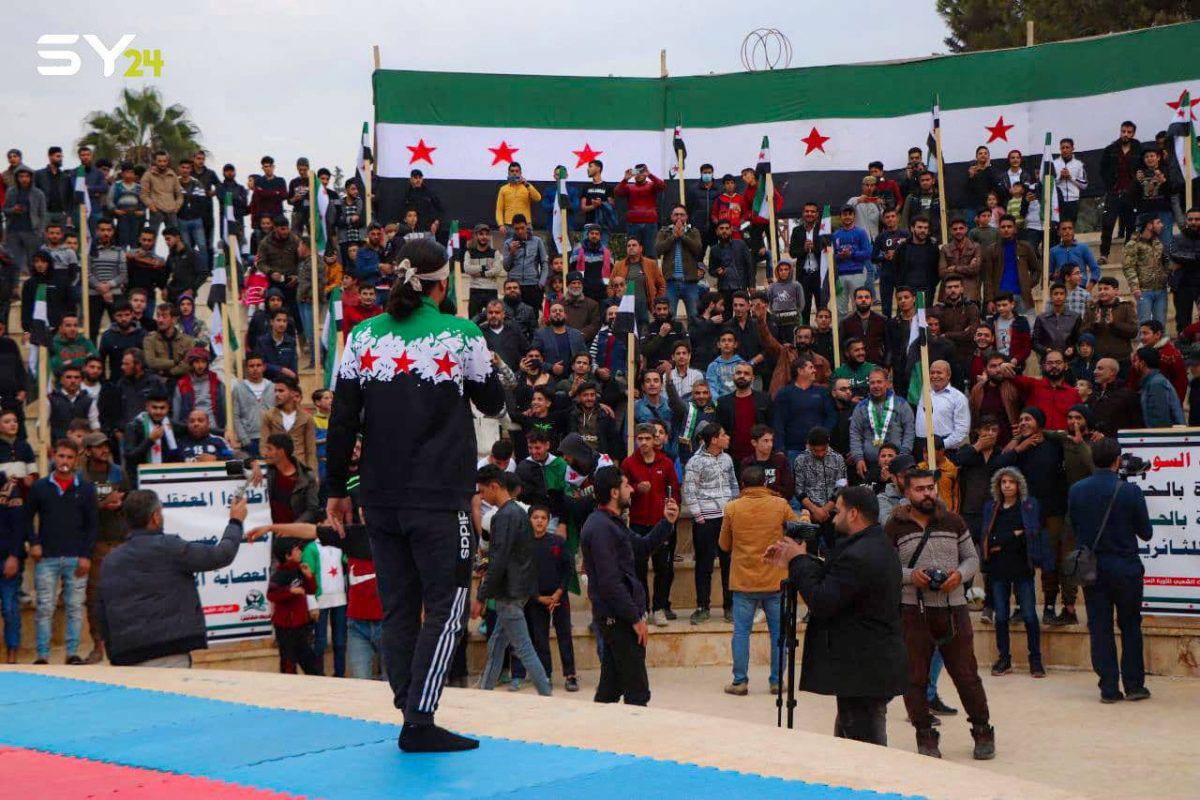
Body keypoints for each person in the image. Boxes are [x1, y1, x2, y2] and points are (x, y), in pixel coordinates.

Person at [325, 238, 505, 752]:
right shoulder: (460, 334)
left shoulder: (362, 335)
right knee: (448, 606)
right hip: (439, 498)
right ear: (442, 284)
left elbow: (341, 419)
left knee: (399, 606)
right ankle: (420, 720)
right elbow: (492, 402)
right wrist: (490, 363)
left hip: (378, 497)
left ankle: (409, 706)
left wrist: (336, 489)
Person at [765, 485, 907, 745]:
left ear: (853, 514)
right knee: (850, 733)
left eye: (838, 511)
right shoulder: (870, 544)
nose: (833, 518)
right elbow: (837, 577)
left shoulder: (861, 553)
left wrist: (798, 560)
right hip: (865, 665)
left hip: (864, 666)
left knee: (863, 744)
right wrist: (798, 558)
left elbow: (822, 600)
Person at [885, 469, 993, 761]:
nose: (927, 494)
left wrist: (959, 576)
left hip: (953, 608)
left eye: (930, 487)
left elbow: (972, 558)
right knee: (915, 677)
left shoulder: (953, 521)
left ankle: (982, 730)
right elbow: (887, 567)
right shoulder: (894, 527)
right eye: (920, 489)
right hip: (912, 610)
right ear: (907, 492)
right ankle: (925, 735)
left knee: (966, 674)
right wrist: (912, 576)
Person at [96, 490, 246, 668]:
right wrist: (236, 522)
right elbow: (221, 555)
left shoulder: (110, 560)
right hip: (167, 653)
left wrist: (113, 654)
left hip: (126, 658)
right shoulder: (169, 547)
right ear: (155, 517)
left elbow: (101, 611)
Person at [581, 466, 678, 705]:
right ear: (614, 493)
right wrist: (635, 619)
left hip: (620, 618)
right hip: (618, 620)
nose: (631, 490)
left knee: (610, 689)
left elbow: (642, 548)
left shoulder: (612, 523)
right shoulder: (601, 527)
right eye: (626, 486)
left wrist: (667, 522)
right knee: (637, 692)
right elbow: (610, 582)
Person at [1067, 437, 1152, 703]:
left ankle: (1109, 688)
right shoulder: (1130, 491)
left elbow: (1074, 528)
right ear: (1117, 460)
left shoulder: (1077, 490)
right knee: (1130, 626)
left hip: (1093, 570)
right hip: (1126, 568)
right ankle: (1134, 686)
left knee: (1100, 627)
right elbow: (1146, 533)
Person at [472, 466, 552, 697]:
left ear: (494, 486)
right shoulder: (517, 513)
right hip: (519, 590)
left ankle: (546, 695)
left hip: (509, 592)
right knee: (497, 644)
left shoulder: (504, 517)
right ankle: (485, 692)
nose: (482, 497)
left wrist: (481, 596)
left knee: (524, 648)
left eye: (483, 491)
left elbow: (499, 560)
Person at [717, 465, 796, 695]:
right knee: (779, 634)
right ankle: (776, 682)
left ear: (742, 485)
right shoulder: (780, 505)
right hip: (775, 580)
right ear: (765, 483)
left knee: (741, 633)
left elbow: (724, 545)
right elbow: (796, 532)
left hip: (743, 581)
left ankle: (740, 681)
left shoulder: (732, 507)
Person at [28, 440, 99, 665]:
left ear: (76, 460)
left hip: (76, 558)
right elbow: (26, 518)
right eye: (61, 456)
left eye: (69, 457)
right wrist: (33, 542)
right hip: (46, 557)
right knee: (45, 608)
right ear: (53, 456)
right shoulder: (40, 487)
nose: (64, 461)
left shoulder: (85, 488)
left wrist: (86, 555)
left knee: (75, 608)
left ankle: (72, 654)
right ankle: (42, 655)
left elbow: (92, 525)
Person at [981, 467, 1050, 677]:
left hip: (1023, 568)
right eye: (1003, 482)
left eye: (1011, 482)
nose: (1007, 486)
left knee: (1029, 615)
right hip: (998, 569)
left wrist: (1003, 539)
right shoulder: (992, 507)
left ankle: (1035, 660)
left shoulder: (1029, 506)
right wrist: (1013, 535)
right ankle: (1004, 659)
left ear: (1019, 485)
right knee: (1001, 616)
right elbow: (988, 538)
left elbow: (1033, 532)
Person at [621, 423, 680, 626]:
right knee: (638, 569)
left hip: (660, 524)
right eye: (640, 439)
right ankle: (642, 608)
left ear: (655, 439)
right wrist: (637, 489)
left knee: (663, 568)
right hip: (637, 524)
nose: (644, 442)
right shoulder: (629, 463)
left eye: (648, 438)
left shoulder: (666, 463)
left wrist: (672, 512)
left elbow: (675, 491)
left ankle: (659, 608)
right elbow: (623, 492)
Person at [681, 423, 740, 624]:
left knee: (728, 563)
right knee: (704, 564)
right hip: (705, 520)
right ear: (714, 440)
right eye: (724, 434)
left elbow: (733, 484)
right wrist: (699, 516)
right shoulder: (695, 462)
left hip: (727, 519)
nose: (727, 437)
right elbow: (689, 490)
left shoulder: (727, 459)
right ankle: (702, 607)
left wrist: (734, 510)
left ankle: (729, 606)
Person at [78, 432, 128, 665]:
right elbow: (78, 510)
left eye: (106, 446)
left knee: (123, 594)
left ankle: (121, 643)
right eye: (98, 447)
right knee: (95, 597)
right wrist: (103, 504)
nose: (104, 450)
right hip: (95, 543)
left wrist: (120, 503)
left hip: (119, 540)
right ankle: (97, 645)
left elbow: (130, 500)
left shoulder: (118, 472)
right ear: (88, 451)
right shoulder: (81, 476)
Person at [267, 536, 323, 675]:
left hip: (302, 626)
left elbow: (311, 590)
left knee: (312, 665)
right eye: (297, 550)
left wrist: (309, 576)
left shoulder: (300, 570)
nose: (300, 552)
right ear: (288, 555)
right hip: (285, 628)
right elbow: (271, 595)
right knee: (288, 665)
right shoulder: (279, 575)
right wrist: (290, 591)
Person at [849, 368, 915, 483]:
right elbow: (855, 434)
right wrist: (858, 458)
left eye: (879, 382)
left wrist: (903, 456)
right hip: (869, 465)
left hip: (897, 464)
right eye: (872, 382)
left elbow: (909, 431)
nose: (875, 386)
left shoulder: (901, 404)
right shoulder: (861, 407)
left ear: (887, 383)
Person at [793, 427, 848, 553]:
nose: (820, 454)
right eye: (815, 451)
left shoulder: (838, 459)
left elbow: (842, 485)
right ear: (809, 446)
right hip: (809, 513)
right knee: (809, 552)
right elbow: (798, 489)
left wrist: (825, 509)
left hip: (833, 512)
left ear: (828, 445)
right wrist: (815, 510)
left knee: (837, 551)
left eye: (823, 450)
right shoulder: (800, 460)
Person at [1098, 121, 1142, 264]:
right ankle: (1104, 255)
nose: (1125, 134)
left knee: (1131, 225)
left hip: (1132, 193)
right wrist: (1110, 185)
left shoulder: (1139, 150)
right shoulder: (1111, 149)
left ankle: (1128, 256)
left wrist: (1138, 179)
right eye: (1123, 131)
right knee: (1108, 223)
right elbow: (1102, 170)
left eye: (1129, 132)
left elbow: (1143, 168)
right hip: (1114, 192)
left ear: (1133, 134)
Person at [656, 204, 705, 323]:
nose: (679, 217)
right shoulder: (664, 231)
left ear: (686, 217)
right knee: (669, 317)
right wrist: (674, 236)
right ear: (671, 216)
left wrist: (683, 236)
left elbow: (698, 249)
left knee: (694, 317)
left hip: (690, 282)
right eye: (676, 214)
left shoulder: (693, 231)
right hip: (670, 282)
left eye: (682, 215)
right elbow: (658, 249)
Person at [716, 362, 772, 465]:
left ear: (752, 378)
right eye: (738, 373)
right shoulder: (723, 402)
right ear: (733, 376)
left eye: (746, 373)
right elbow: (719, 429)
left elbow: (771, 426)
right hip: (731, 458)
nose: (742, 376)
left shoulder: (764, 399)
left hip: (759, 457)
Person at [981, 215, 1039, 313]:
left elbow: (1036, 270)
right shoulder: (992, 250)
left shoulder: (1025, 247)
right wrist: (989, 300)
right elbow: (988, 277)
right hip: (1000, 298)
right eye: (1003, 227)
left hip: (1022, 296)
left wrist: (1028, 284)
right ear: (999, 229)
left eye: (1009, 226)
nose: (1006, 229)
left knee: (1026, 322)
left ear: (1015, 229)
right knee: (1001, 323)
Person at [262, 375, 317, 473]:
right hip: (277, 470)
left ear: (293, 393)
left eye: (281, 391)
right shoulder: (268, 416)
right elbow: (264, 445)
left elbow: (311, 450)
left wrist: (313, 474)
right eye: (275, 391)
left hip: (300, 468)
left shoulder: (306, 418)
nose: (277, 394)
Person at [1122, 214, 1169, 326]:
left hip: (1161, 289)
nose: (1161, 225)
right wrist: (1135, 287)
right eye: (1158, 222)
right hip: (1143, 291)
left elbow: (1164, 263)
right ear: (1149, 225)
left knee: (1160, 324)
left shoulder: (1158, 243)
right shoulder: (1133, 244)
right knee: (1145, 324)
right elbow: (1128, 267)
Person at [914, 360, 970, 452]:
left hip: (944, 448)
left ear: (948, 375)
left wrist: (943, 444)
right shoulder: (924, 393)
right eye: (932, 373)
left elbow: (962, 430)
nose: (935, 376)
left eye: (939, 373)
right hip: (921, 445)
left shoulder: (958, 398)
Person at [1082, 277, 1138, 364]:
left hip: (1121, 358)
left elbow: (1134, 332)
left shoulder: (1126, 307)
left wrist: (1114, 324)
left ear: (1116, 291)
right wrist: (1094, 324)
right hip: (1098, 358)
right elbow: (1082, 332)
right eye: (1100, 289)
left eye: (1106, 289)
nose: (1102, 292)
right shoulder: (1092, 308)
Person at [503, 214, 550, 311]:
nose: (520, 231)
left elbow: (544, 264)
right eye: (516, 229)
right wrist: (512, 253)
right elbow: (506, 267)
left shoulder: (537, 241)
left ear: (527, 226)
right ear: (513, 229)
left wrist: (541, 283)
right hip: (515, 286)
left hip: (533, 285)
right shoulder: (508, 243)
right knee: (512, 315)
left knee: (533, 315)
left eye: (522, 228)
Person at [831, 206, 872, 316]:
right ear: (840, 217)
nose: (847, 217)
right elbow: (831, 256)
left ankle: (859, 327)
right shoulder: (835, 235)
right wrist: (840, 256)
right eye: (844, 214)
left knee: (859, 307)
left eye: (850, 214)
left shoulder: (861, 232)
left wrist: (852, 254)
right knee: (840, 309)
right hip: (840, 275)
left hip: (857, 273)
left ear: (854, 216)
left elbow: (868, 253)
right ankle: (841, 327)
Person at [232, 354, 275, 458]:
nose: (255, 368)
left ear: (264, 367)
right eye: (251, 366)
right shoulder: (239, 388)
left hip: (270, 437)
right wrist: (245, 440)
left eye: (258, 365)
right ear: (247, 368)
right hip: (250, 439)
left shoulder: (273, 387)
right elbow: (235, 415)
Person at [1087, 357, 1143, 437]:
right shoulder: (1093, 395)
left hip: (1118, 441)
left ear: (1112, 372)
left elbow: (1135, 423)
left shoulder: (1127, 395)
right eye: (1095, 368)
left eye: (1100, 369)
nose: (1095, 371)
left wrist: (1104, 435)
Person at [1131, 346, 1184, 428]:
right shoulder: (1150, 382)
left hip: (1165, 434)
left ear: (1142, 363)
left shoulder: (1157, 383)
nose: (1134, 364)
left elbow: (1160, 419)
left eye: (1136, 360)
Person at [1033, 283, 1081, 360]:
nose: (1059, 297)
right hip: (1048, 360)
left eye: (1061, 294)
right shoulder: (1041, 318)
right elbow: (1035, 342)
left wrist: (1072, 348)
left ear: (1066, 296)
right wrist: (1045, 350)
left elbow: (1079, 340)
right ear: (1051, 296)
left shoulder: (1075, 317)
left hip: (1068, 360)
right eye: (1056, 294)